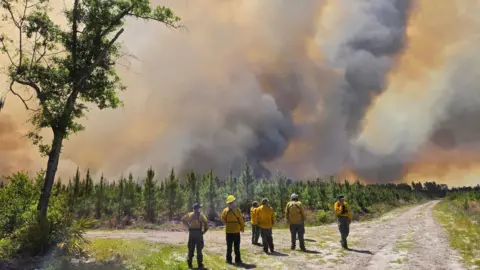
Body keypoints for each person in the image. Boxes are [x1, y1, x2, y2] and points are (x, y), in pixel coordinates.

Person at [181, 203, 209, 269]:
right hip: (198, 233)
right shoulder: (201, 215)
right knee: (199, 249)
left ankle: (190, 263)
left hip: (192, 233)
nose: (198, 209)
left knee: (191, 248)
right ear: (198, 208)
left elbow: (183, 220)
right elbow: (206, 222)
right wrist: (204, 231)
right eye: (198, 208)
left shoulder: (189, 214)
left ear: (193, 209)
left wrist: (188, 226)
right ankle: (200, 264)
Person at [221, 195, 245, 265]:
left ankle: (228, 260)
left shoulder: (225, 210)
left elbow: (222, 219)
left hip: (228, 231)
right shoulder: (237, 210)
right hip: (236, 231)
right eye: (234, 201)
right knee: (237, 246)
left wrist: (228, 223)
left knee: (229, 246)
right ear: (233, 202)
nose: (235, 202)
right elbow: (240, 219)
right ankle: (237, 260)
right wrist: (242, 227)